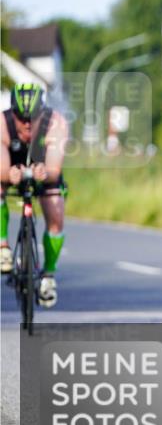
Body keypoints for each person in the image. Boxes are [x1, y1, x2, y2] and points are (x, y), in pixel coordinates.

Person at [1, 83, 69, 307]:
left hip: (45, 169)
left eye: (33, 117)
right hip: (12, 167)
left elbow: (54, 169)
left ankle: (48, 276)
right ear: (13, 113)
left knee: (55, 207)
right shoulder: (3, 123)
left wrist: (45, 173)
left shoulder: (55, 123)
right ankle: (3, 248)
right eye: (22, 118)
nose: (28, 124)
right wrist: (9, 174)